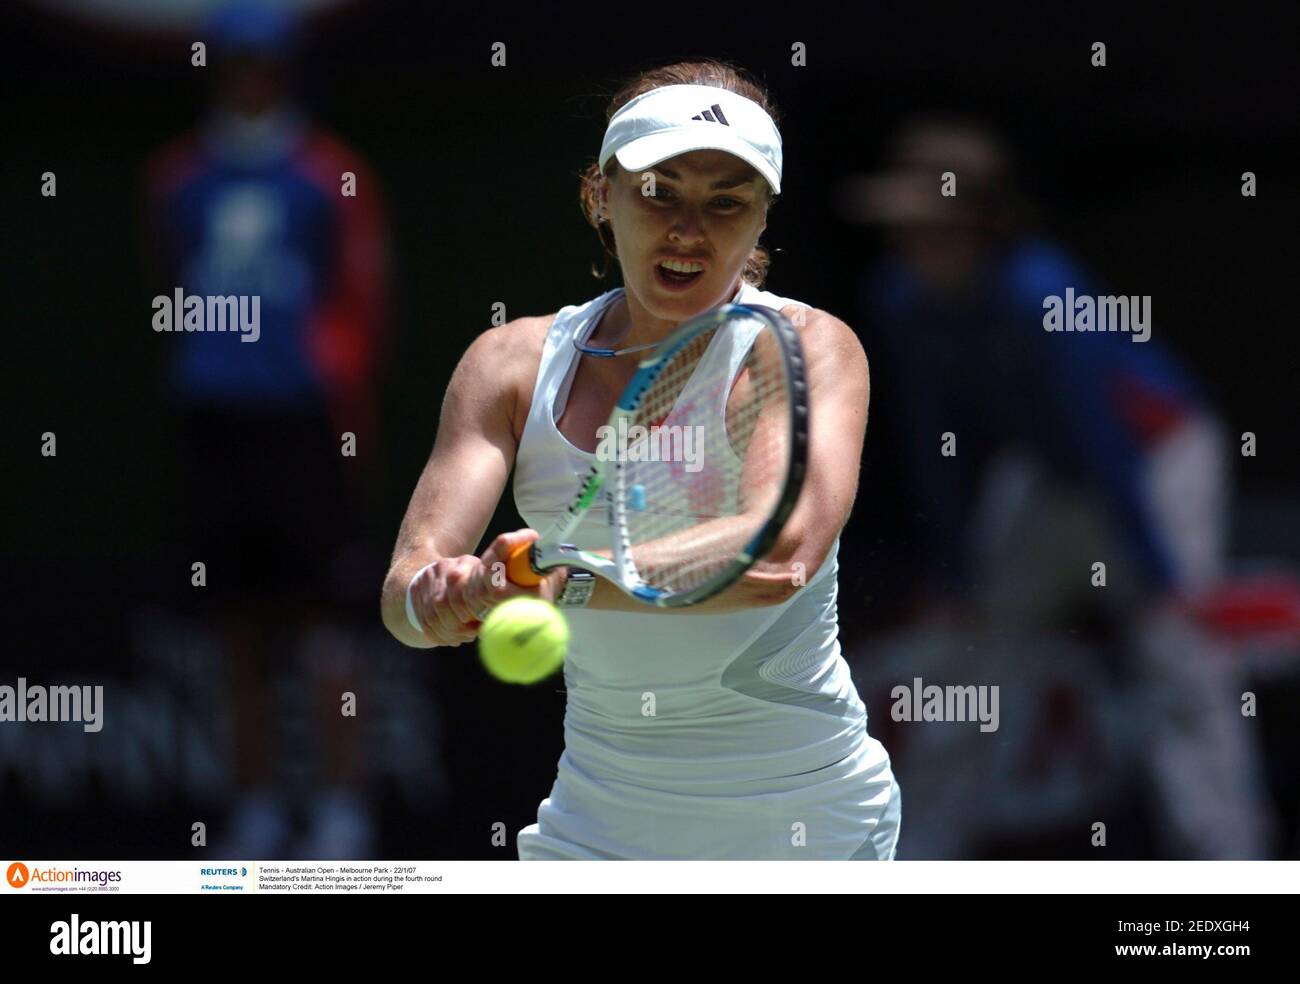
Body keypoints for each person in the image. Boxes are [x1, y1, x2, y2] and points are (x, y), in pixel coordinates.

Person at [381, 61, 900, 860]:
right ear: (600, 196)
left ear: (763, 219)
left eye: (726, 201)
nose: (689, 230)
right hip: (595, 834)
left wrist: (567, 571)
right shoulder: (508, 364)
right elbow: (405, 591)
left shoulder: (805, 348)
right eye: (659, 191)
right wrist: (444, 597)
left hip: (802, 827)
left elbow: (782, 552)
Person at [146, 0, 391, 858]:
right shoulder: (179, 177)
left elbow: (360, 304)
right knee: (235, 631)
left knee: (329, 628)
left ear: (285, 72)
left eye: (265, 65)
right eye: (236, 63)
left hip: (303, 428)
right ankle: (252, 812)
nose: (251, 80)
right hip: (215, 425)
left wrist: (331, 396)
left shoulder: (330, 175)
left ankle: (340, 812)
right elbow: (168, 285)